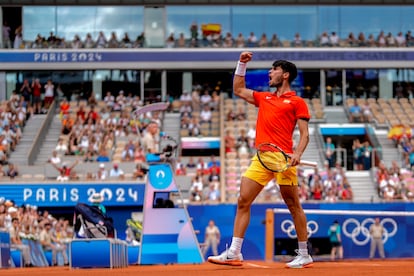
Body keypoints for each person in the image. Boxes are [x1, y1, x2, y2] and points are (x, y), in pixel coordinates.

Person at [208, 51, 313, 268]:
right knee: (243, 200)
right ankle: (234, 252)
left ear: (285, 75)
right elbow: (237, 89)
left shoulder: (297, 102)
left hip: (283, 158)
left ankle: (304, 254)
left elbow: (305, 134)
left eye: (274, 69)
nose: (270, 72)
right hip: (261, 157)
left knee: (293, 205)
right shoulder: (263, 98)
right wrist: (241, 64)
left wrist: (297, 154)